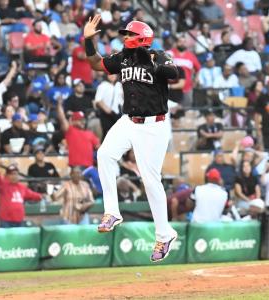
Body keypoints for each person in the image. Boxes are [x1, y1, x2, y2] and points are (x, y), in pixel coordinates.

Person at [84, 16, 179, 262]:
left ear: (140, 38)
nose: (124, 37)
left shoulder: (157, 54)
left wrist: (153, 62)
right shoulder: (123, 58)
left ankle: (164, 234)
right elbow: (95, 64)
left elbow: (173, 73)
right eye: (124, 34)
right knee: (104, 154)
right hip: (129, 121)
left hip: (154, 125)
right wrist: (88, 39)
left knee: (149, 179)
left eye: (128, 34)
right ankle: (112, 212)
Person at [0, 162, 43, 227]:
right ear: (7, 176)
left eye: (16, 174)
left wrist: (41, 196)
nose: (14, 176)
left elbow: (33, 195)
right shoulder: (3, 185)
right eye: (11, 174)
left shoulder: (22, 187)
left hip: (19, 220)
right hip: (6, 220)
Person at [57, 99, 100, 168]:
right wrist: (59, 105)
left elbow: (99, 148)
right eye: (80, 120)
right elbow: (61, 117)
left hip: (89, 166)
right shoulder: (70, 130)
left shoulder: (90, 133)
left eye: (83, 120)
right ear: (73, 121)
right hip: (75, 166)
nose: (83, 122)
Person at [94, 73, 124, 140]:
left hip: (119, 114)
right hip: (107, 114)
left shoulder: (119, 85)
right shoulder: (103, 85)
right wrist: (108, 110)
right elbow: (98, 100)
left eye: (114, 74)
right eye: (110, 74)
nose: (112, 76)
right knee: (108, 134)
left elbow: (122, 98)